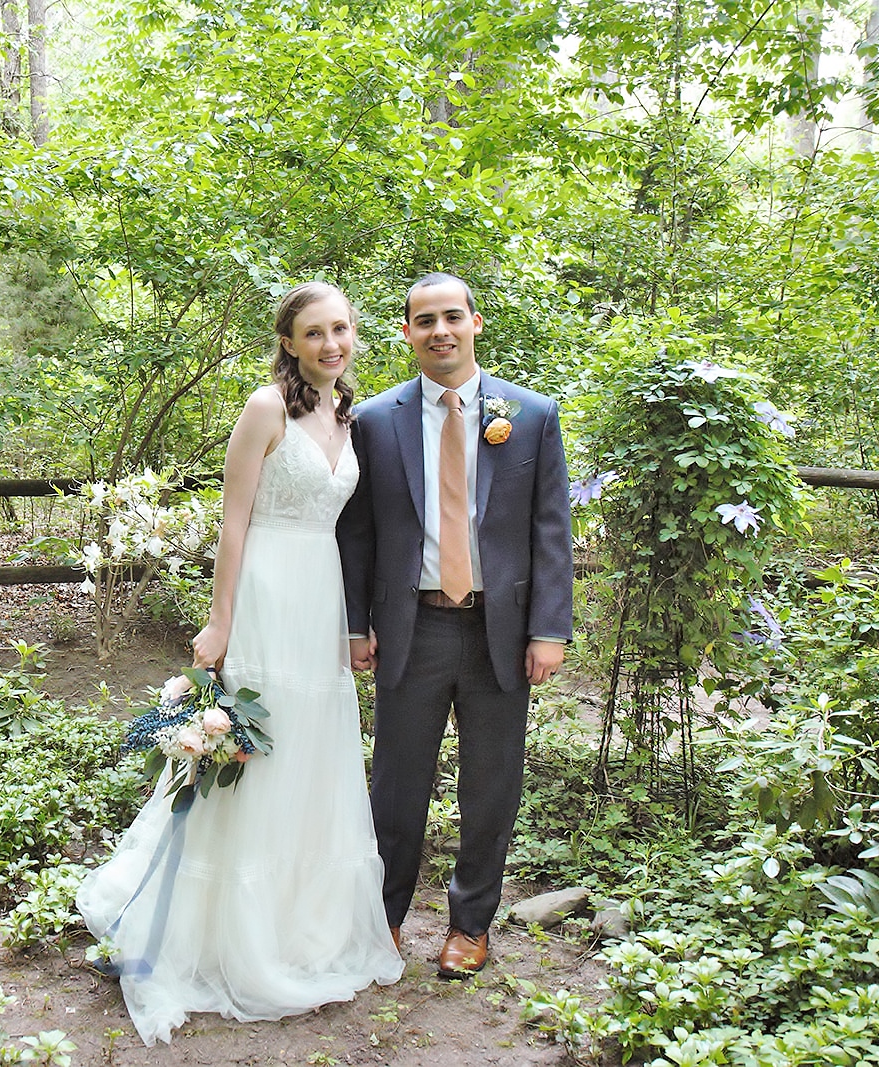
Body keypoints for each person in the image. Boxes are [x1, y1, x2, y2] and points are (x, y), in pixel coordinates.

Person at [77, 282, 404, 1046]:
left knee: (312, 756)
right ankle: (218, 931)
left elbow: (354, 532)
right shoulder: (266, 408)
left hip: (320, 600)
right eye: (314, 332)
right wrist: (221, 620)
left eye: (341, 329)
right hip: (262, 593)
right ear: (288, 341)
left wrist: (356, 622)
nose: (331, 344)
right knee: (255, 753)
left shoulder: (350, 416)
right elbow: (233, 521)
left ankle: (302, 925)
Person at [336, 272, 572, 979]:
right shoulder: (376, 420)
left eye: (451, 317)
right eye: (423, 320)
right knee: (397, 783)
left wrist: (549, 629)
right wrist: (354, 624)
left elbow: (551, 529)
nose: (439, 330)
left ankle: (471, 924)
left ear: (474, 322)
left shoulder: (529, 414)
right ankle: (384, 917)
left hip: (500, 630)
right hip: (414, 625)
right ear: (406, 332)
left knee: (491, 784)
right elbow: (359, 534)